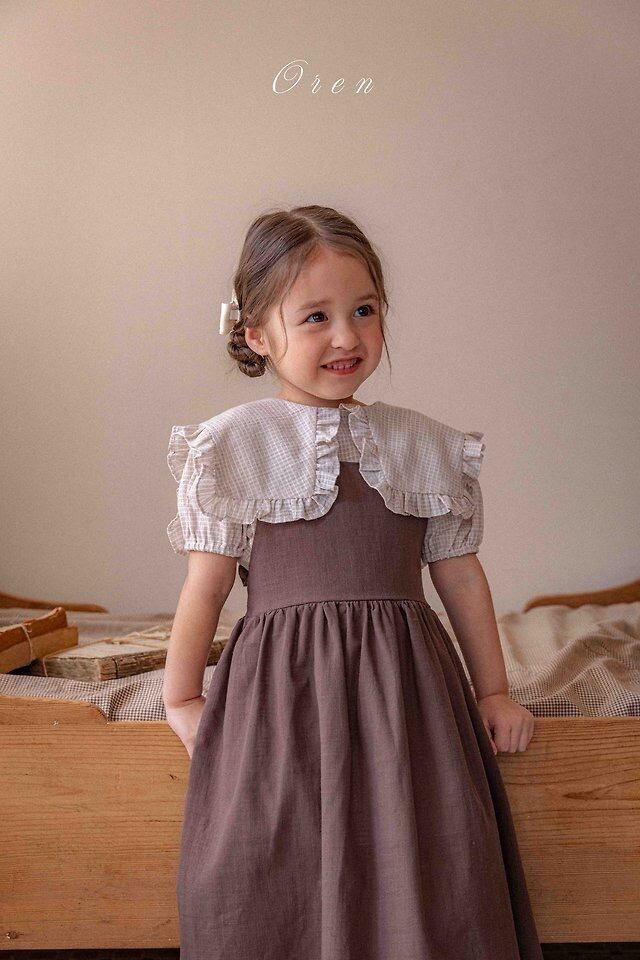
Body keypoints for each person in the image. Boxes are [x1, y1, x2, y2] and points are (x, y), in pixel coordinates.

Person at [163, 204, 544, 959]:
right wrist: (182, 697)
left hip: (407, 688)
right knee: (272, 855)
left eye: (364, 310)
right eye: (316, 317)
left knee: (433, 848)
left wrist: (494, 691)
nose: (347, 336)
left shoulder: (422, 444)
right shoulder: (235, 446)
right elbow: (205, 587)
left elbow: (461, 578)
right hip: (281, 692)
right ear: (257, 334)